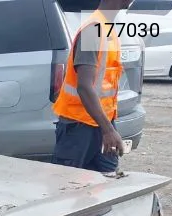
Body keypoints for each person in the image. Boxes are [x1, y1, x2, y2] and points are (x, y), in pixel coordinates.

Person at [51, 0, 134, 172]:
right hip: (78, 127)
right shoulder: (93, 30)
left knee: (108, 182)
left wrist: (108, 127)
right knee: (67, 185)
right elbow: (84, 86)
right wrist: (108, 130)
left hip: (100, 123)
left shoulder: (106, 28)